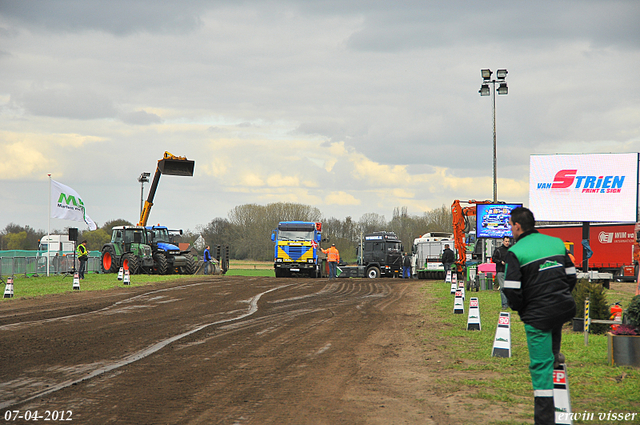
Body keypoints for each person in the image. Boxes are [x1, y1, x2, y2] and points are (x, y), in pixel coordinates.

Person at [503, 207, 577, 425]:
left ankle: (545, 419)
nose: (511, 229)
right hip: (562, 308)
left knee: (540, 367)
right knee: (553, 327)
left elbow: (511, 288)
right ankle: (555, 355)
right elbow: (572, 276)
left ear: (517, 226)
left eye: (510, 225)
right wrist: (560, 296)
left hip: (537, 316)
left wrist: (523, 309)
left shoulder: (516, 252)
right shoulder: (556, 242)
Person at [492, 236, 511, 309]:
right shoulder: (498, 250)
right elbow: (494, 259)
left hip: (509, 271)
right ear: (503, 241)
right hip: (501, 271)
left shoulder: (511, 250)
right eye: (506, 241)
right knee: (503, 288)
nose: (507, 243)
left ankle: (509, 302)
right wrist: (500, 262)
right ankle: (504, 304)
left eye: (508, 241)